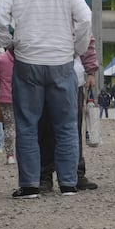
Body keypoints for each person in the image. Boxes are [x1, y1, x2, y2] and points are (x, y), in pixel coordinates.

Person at [0, 0, 91, 199]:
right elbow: (85, 19)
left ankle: (30, 186)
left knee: (27, 125)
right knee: (66, 125)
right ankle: (68, 184)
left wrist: (9, 44)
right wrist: (75, 49)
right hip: (61, 63)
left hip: (27, 63)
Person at [38, 38, 99, 193]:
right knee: (51, 127)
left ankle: (72, 172)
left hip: (71, 75)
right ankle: (49, 174)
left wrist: (90, 70)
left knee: (68, 128)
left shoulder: (73, 14)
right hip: (49, 74)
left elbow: (86, 37)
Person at [0, 45, 17, 165]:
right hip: (24, 96)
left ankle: (10, 155)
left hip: (5, 97)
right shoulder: (24, 59)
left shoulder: (0, 59)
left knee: (9, 126)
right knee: (26, 127)